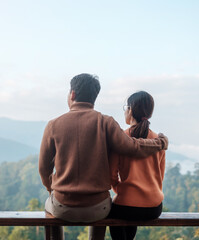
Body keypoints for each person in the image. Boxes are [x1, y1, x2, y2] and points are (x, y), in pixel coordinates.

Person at [38, 74, 168, 240]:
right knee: (103, 212)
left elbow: (43, 168)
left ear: (72, 94)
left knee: (49, 209)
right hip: (98, 207)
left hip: (63, 205)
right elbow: (131, 146)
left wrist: (52, 190)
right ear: (95, 97)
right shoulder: (106, 122)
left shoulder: (53, 125)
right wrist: (160, 143)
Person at [108, 91, 166, 240]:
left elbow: (111, 176)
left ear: (131, 110)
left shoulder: (121, 139)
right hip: (154, 207)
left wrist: (122, 191)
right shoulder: (158, 141)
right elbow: (160, 175)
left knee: (115, 212)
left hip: (126, 205)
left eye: (126, 108)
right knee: (129, 211)